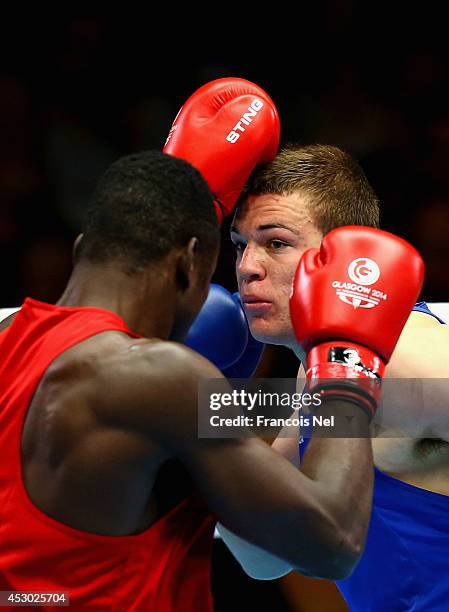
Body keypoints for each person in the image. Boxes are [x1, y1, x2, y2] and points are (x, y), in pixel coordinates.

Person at [212, 143, 449, 611]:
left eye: (275, 243)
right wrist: (204, 428)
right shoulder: (323, 369)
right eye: (241, 245)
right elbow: (266, 555)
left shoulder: (404, 359)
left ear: (347, 256)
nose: (246, 268)